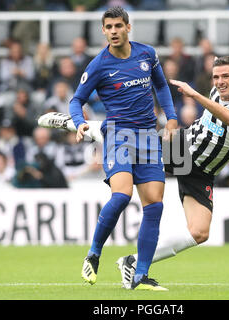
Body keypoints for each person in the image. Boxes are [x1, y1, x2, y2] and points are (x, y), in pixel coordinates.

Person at [38, 55, 229, 290]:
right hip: (183, 150)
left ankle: (132, 262)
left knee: (200, 232)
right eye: (216, 77)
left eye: (226, 76)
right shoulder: (216, 93)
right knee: (130, 141)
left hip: (203, 172)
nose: (220, 81)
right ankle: (76, 123)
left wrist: (195, 95)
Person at [39, 6, 177, 291]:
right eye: (108, 27)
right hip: (117, 136)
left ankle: (139, 275)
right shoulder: (99, 65)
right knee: (122, 195)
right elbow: (76, 100)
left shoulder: (147, 55)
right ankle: (94, 253)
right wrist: (78, 122)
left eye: (118, 26)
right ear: (103, 31)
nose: (113, 31)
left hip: (149, 137)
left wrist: (172, 117)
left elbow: (161, 86)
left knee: (155, 206)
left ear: (128, 27)